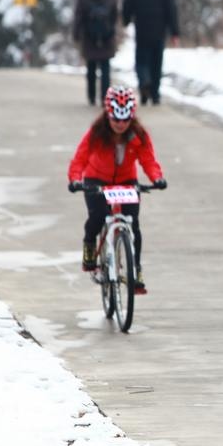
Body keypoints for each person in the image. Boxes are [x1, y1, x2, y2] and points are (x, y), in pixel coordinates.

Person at [67, 86, 168, 293]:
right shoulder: (96, 133)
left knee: (134, 225)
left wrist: (157, 178)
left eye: (125, 120)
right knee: (97, 218)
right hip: (96, 180)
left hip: (126, 181)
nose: (120, 125)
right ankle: (89, 248)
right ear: (108, 115)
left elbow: (148, 159)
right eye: (116, 120)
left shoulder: (138, 134)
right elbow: (80, 158)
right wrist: (75, 179)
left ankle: (135, 270)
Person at [122, 0, 180, 106]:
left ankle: (144, 82)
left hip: (142, 31)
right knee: (157, 63)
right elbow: (171, 11)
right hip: (159, 32)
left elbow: (126, 8)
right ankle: (155, 94)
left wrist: (126, 21)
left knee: (141, 61)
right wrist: (175, 32)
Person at [72, 0, 119, 105]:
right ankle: (105, 96)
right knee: (105, 68)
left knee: (91, 68)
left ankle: (92, 96)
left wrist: (77, 34)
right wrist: (111, 30)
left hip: (89, 38)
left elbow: (78, 17)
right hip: (107, 38)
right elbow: (115, 16)